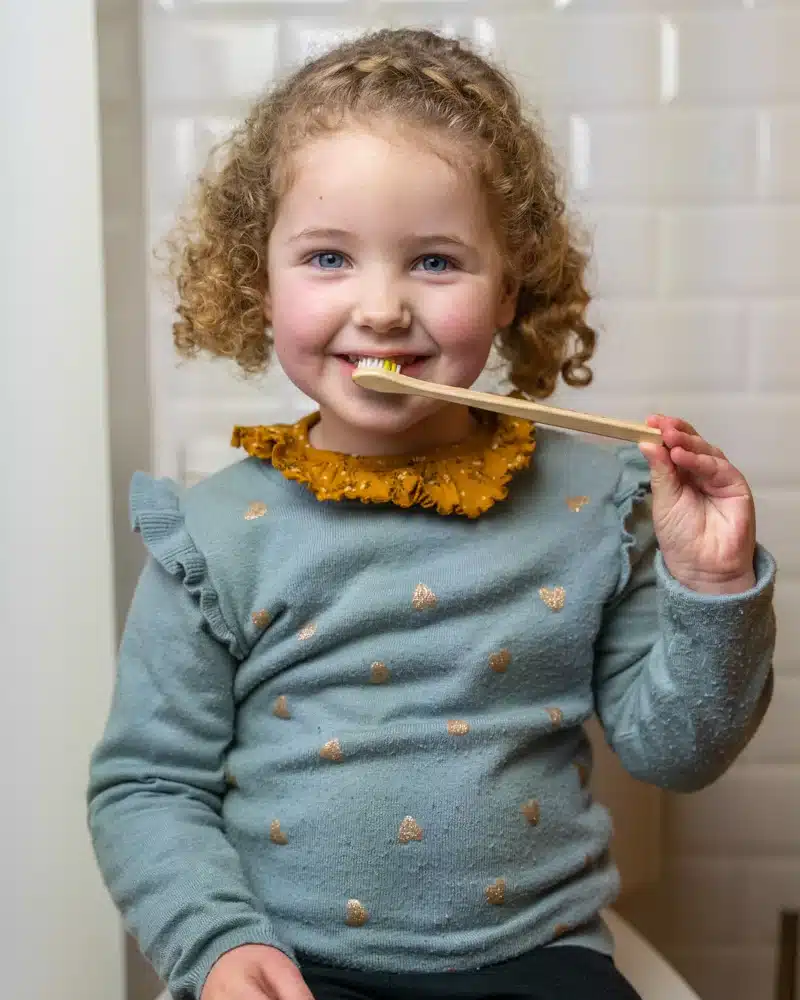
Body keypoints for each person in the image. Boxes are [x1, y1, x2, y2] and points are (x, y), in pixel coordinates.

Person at [88, 27, 776, 1000]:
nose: (379, 308)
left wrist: (709, 586)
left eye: (435, 262)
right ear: (259, 279)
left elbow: (676, 752)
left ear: (509, 286)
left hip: (538, 958)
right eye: (328, 256)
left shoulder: (593, 504)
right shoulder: (211, 537)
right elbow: (148, 785)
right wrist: (216, 943)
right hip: (290, 955)